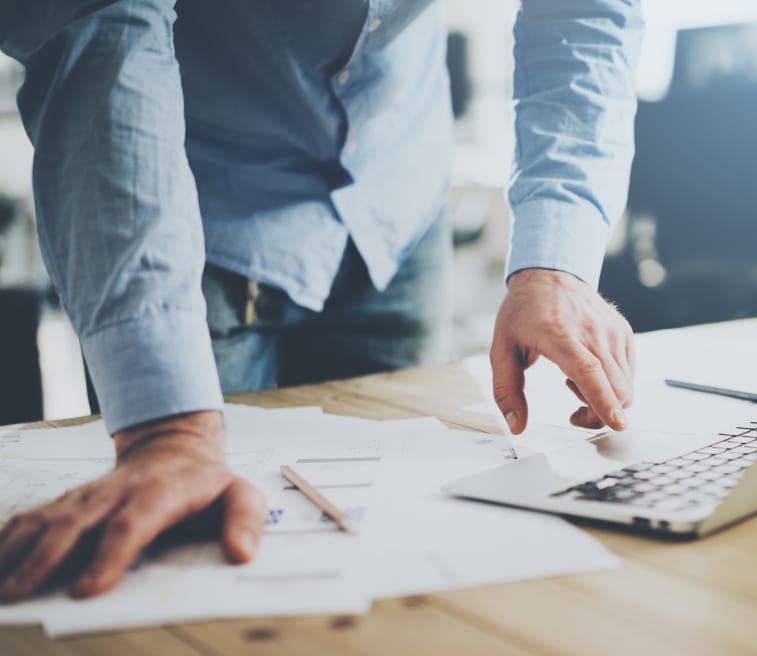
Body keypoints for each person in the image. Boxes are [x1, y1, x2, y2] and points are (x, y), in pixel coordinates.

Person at [0, 0, 642, 602]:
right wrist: (166, 431)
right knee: (192, 564)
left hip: (395, 199)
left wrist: (555, 261)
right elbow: (99, 24)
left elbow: (582, 13)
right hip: (196, 210)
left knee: (391, 542)